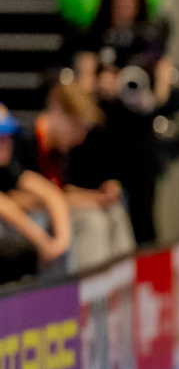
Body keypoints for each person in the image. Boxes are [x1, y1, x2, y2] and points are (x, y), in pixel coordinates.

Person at [74, 0, 179, 244]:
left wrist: (147, 95)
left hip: (139, 133)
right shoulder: (94, 35)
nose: (126, 7)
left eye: (131, 1)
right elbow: (83, 83)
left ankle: (148, 267)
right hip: (104, 132)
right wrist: (100, 84)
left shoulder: (150, 36)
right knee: (103, 206)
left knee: (142, 212)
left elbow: (162, 86)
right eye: (120, 1)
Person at [29, 83, 135, 272]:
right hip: (33, 218)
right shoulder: (26, 141)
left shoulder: (60, 151)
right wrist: (89, 200)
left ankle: (124, 280)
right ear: (56, 111)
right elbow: (28, 198)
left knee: (115, 211)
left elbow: (60, 191)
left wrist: (97, 198)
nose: (80, 138)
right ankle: (92, 285)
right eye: (77, 127)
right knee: (93, 221)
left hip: (51, 211)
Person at [0, 104, 72, 282]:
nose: (7, 142)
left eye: (8, 135)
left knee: (44, 218)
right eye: (1, 137)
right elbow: (4, 206)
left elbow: (51, 194)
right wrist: (42, 241)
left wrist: (61, 242)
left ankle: (56, 291)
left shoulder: (7, 166)